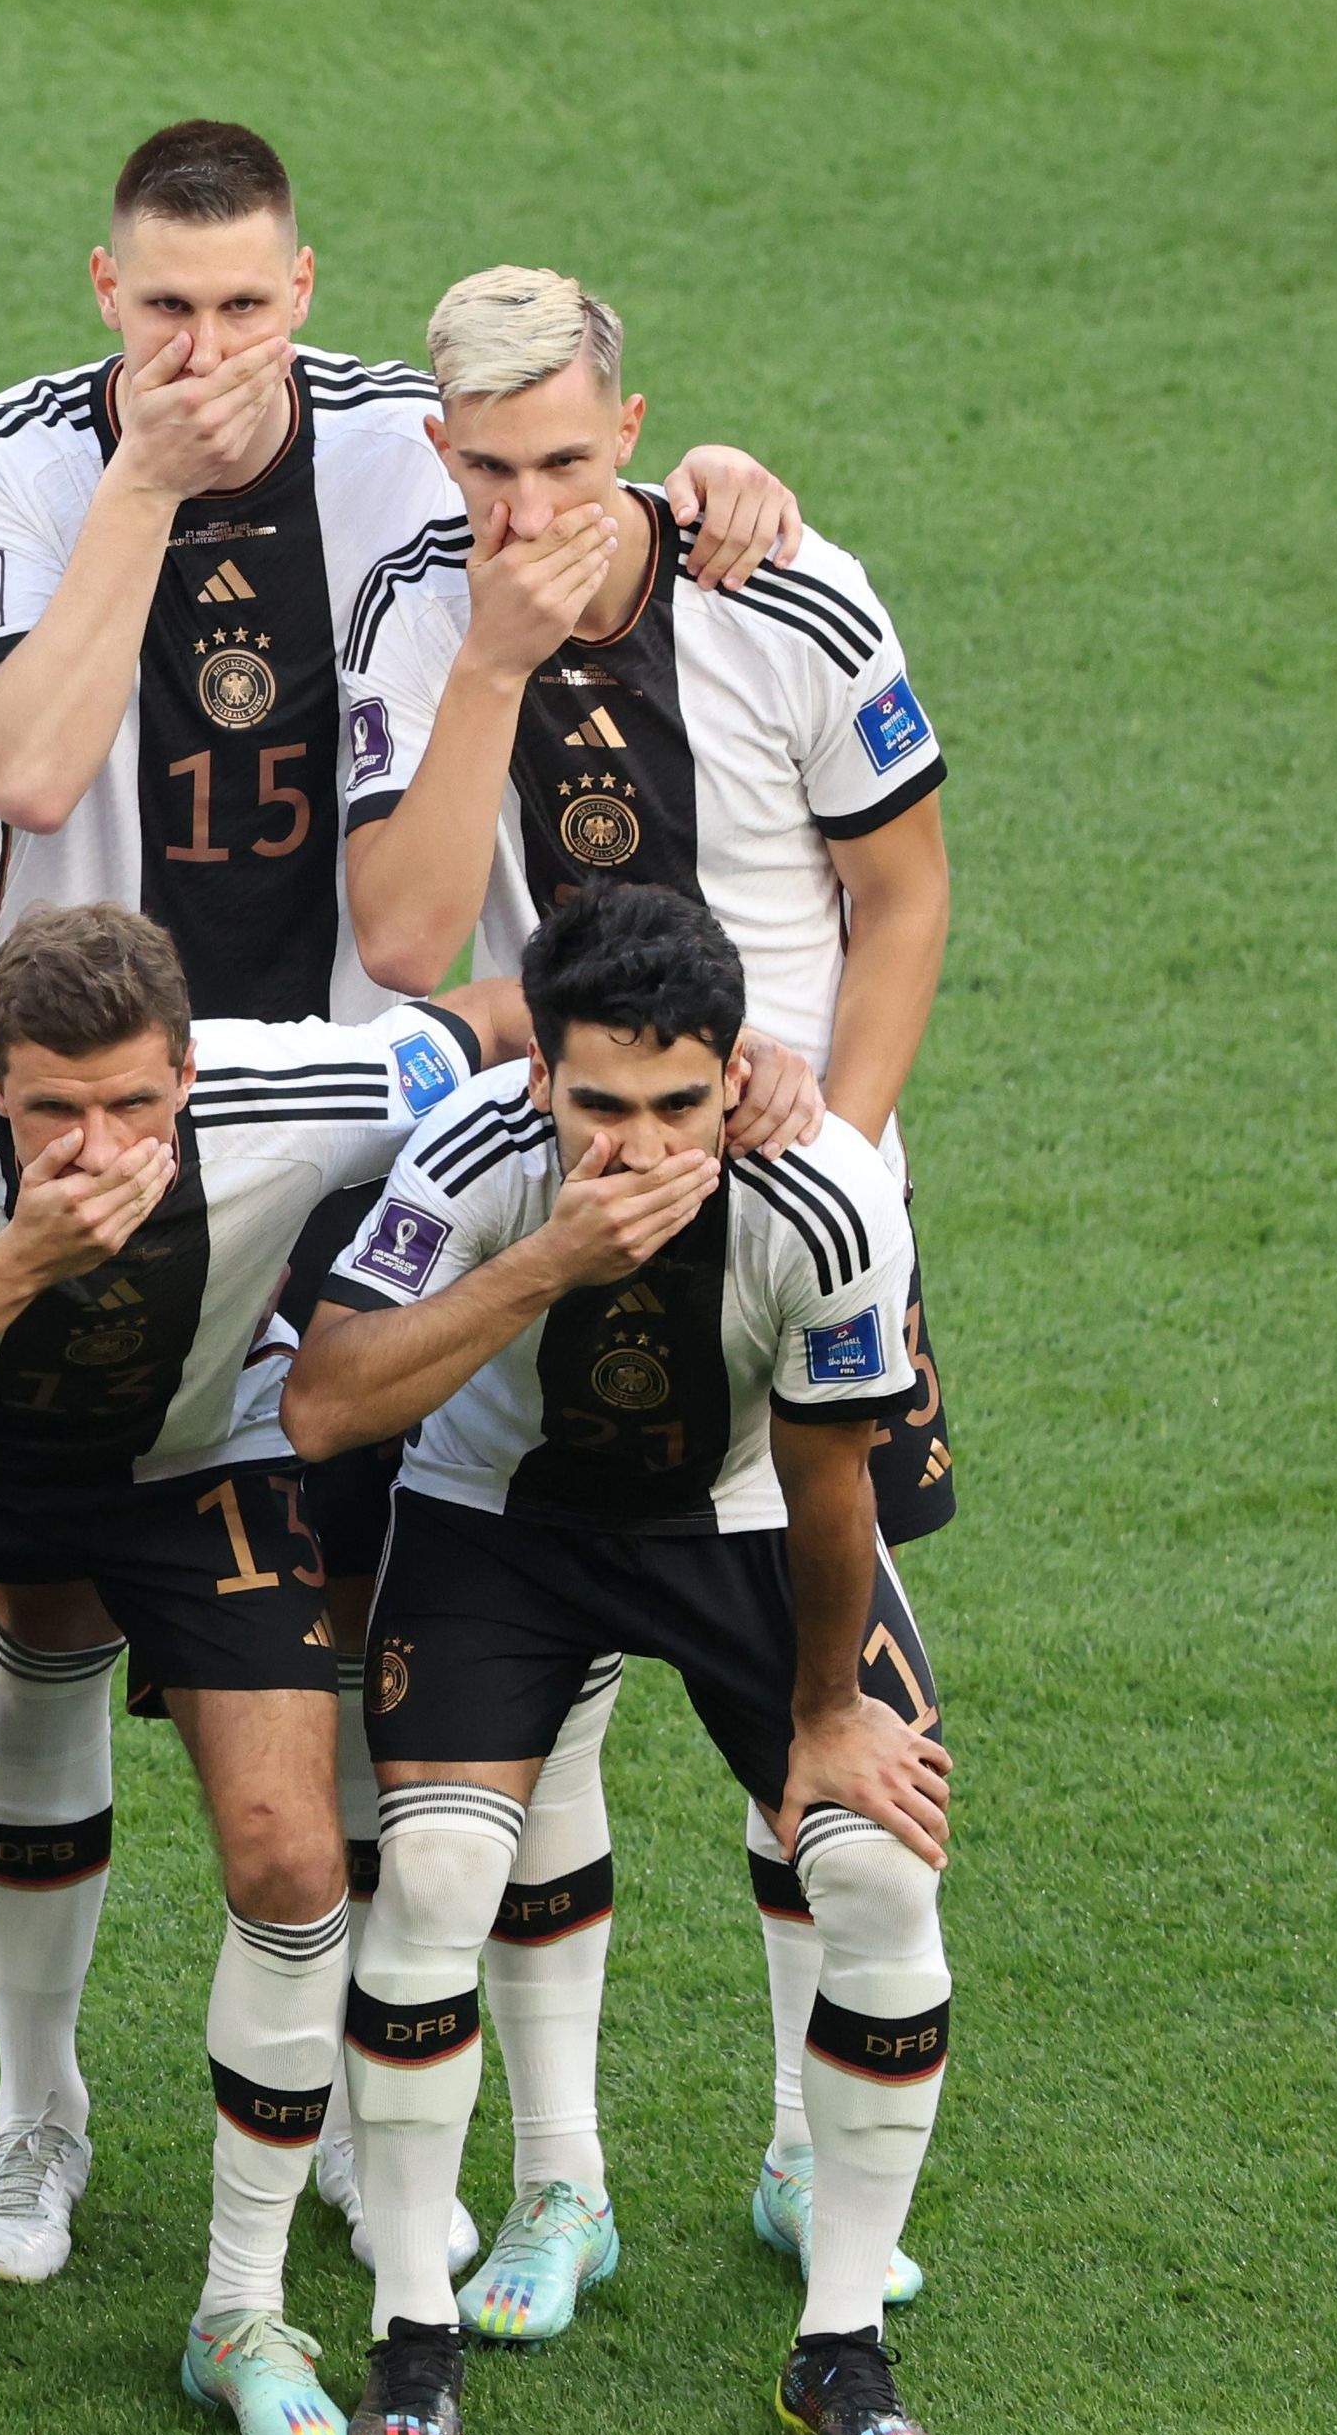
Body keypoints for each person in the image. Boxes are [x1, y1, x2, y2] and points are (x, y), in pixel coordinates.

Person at [0, 117, 807, 2285]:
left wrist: (714, 481)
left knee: (351, 1615)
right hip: (98, 1120)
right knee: (43, 1606)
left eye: (239, 307)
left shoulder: (404, 457)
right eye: (160, 306)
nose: (202, 346)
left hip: (353, 1119)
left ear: (301, 291)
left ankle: (322, 2091)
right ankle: (36, 2115)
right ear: (96, 292)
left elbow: (565, 503)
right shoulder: (12, 463)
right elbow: (26, 769)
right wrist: (141, 478)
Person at [338, 265, 953, 2330]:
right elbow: (410, 935)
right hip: (557, 1176)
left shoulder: (788, 585)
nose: (530, 507)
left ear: (633, 425)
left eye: (569, 462)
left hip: (784, 1224)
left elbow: (901, 891)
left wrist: (833, 1155)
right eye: (491, 470)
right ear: (443, 455)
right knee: (545, 1705)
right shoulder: (419, 609)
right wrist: (493, 661)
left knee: (814, 1714)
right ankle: (556, 2177)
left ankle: (804, 2140)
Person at [0, 903, 522, 2435]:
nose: (94, 1143)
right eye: (51, 1111)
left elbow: (498, 1023)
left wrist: (751, 1061)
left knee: (297, 1863)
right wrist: (19, 1259)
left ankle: (242, 2307)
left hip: (185, 1457)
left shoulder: (303, 1090)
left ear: (190, 1070)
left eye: (132, 1106)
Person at [284, 884, 947, 2435]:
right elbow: (324, 1405)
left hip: (742, 1520)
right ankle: (412, 2327)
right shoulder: (470, 1164)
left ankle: (841, 2341)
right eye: (598, 1107)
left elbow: (829, 1477)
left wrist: (824, 1718)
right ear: (540, 1085)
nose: (638, 1146)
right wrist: (548, 1262)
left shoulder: (831, 1196)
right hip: (497, 1519)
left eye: (675, 1105)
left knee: (875, 1882)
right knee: (436, 1866)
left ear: (735, 1077)